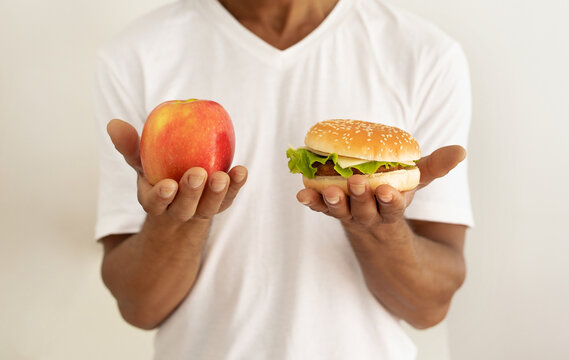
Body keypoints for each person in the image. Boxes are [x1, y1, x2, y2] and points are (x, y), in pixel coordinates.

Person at [94, 0, 473, 358]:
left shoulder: (424, 54)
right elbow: (139, 307)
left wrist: (377, 230)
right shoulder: (136, 54)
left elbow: (429, 307)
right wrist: (177, 221)